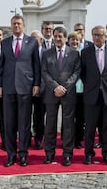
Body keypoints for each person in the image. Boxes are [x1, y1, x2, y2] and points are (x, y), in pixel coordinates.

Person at [0, 15, 40, 167]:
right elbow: (1, 66)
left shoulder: (32, 42)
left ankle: (23, 154)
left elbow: (36, 65)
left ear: (23, 25)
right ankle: (11, 154)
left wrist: (36, 84)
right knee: (9, 124)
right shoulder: (5, 42)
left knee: (24, 124)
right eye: (14, 24)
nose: (16, 26)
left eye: (19, 24)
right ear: (10, 26)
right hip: (8, 88)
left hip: (26, 88)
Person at [80, 25, 107, 166]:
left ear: (106, 37)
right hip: (92, 96)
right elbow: (83, 73)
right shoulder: (85, 52)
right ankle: (88, 154)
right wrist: (92, 86)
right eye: (95, 35)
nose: (97, 38)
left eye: (100, 35)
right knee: (90, 128)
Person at [42, 27, 80, 166]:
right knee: (50, 124)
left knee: (68, 125)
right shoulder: (47, 54)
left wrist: (65, 88)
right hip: (52, 93)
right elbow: (44, 72)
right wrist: (55, 87)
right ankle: (49, 153)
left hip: (68, 93)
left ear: (65, 38)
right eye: (56, 36)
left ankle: (67, 154)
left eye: (60, 36)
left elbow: (76, 73)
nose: (58, 39)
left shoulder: (74, 54)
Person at [68, 31, 84, 149]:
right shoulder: (66, 54)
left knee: (80, 117)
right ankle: (67, 138)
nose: (74, 42)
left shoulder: (83, 53)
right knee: (68, 116)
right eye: (72, 39)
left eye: (77, 40)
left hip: (82, 90)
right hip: (69, 89)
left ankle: (78, 139)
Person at [30, 29, 45, 150]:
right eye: (31, 38)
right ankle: (27, 136)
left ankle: (39, 137)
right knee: (25, 115)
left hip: (43, 89)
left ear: (41, 40)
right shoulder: (26, 52)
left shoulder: (47, 53)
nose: (33, 40)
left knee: (39, 115)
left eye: (36, 38)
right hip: (27, 89)